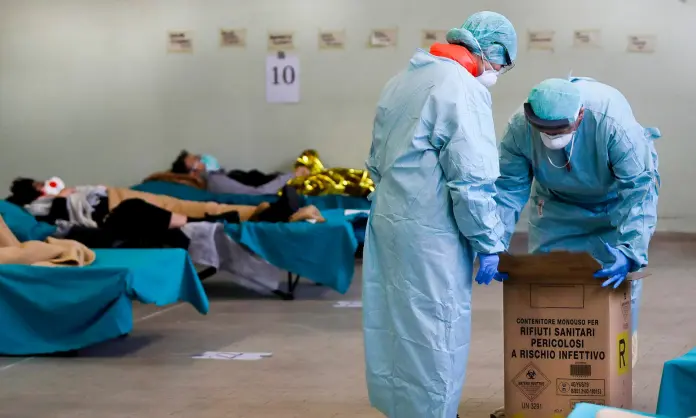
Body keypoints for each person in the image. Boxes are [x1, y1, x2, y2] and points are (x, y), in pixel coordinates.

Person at [362, 11, 517, 418]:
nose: (499, 72)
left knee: (396, 325)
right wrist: (490, 243)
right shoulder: (462, 88)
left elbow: (375, 163)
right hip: (433, 234)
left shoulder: (402, 80)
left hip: (389, 222)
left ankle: (404, 410)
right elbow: (472, 180)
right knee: (436, 331)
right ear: (491, 52)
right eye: (503, 63)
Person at [495, 77, 660, 370]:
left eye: (559, 130)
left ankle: (615, 379)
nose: (550, 137)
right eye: (543, 130)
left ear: (580, 116)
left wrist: (630, 250)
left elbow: (639, 191)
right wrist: (492, 244)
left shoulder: (612, 124)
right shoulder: (520, 128)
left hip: (613, 206)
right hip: (557, 207)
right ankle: (557, 383)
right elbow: (508, 189)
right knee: (549, 285)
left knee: (614, 292)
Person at [6, 177, 325, 247]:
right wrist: (62, 196)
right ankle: (270, 213)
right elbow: (64, 220)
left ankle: (270, 210)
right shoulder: (38, 207)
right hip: (114, 208)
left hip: (114, 197)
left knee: (203, 208)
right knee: (201, 209)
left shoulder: (51, 198)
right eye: (39, 183)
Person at [169, 150, 295, 195]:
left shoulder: (219, 175)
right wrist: (292, 176)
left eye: (198, 156)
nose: (203, 158)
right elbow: (259, 193)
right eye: (197, 160)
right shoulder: (217, 182)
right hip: (283, 186)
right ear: (193, 174)